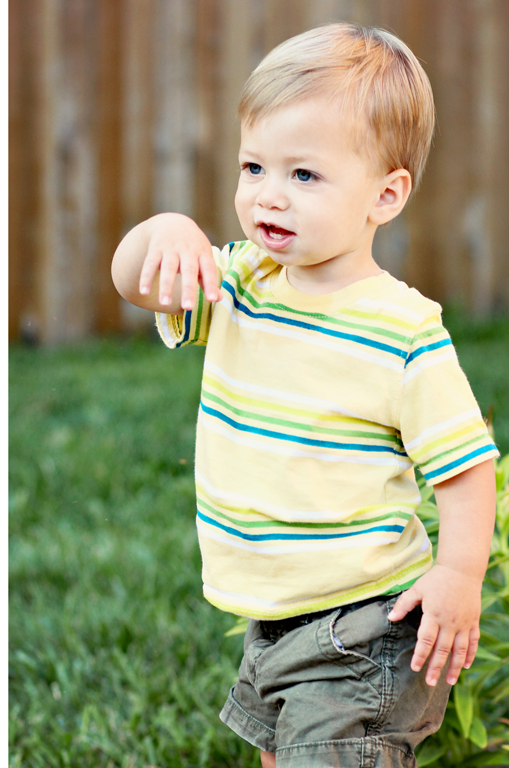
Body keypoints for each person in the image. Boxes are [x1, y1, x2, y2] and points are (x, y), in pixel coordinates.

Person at [111, 23, 498, 768]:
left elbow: (464, 466)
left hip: (366, 626)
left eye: (305, 176)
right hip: (276, 618)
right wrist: (162, 231)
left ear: (385, 195)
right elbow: (136, 284)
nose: (268, 196)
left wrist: (456, 573)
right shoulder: (241, 282)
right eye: (254, 166)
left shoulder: (402, 332)